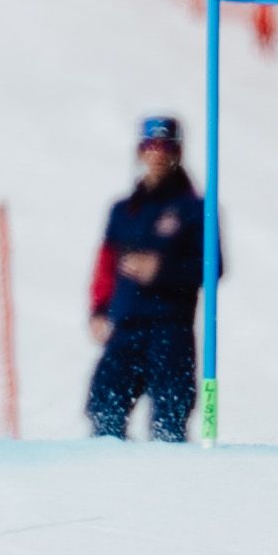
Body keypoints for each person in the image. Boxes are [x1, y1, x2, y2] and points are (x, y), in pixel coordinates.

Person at [87, 115, 217, 443]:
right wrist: (99, 310)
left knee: (169, 422)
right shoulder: (124, 209)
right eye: (150, 146)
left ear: (177, 153)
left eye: (164, 147)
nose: (157, 154)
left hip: (171, 331)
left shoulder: (194, 209)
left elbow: (212, 268)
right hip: (125, 328)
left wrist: (161, 269)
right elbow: (105, 266)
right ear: (140, 151)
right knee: (104, 410)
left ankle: (167, 489)